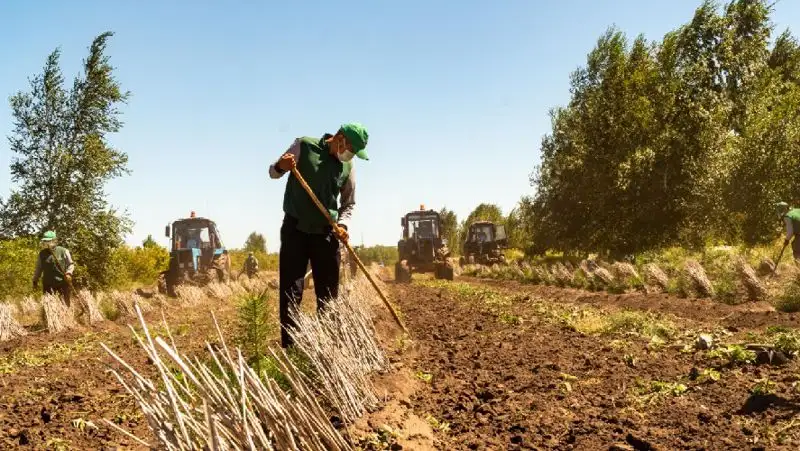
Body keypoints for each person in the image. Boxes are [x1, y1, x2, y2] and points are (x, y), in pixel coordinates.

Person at [269, 122, 369, 348]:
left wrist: (343, 225)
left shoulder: (348, 167)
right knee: (291, 291)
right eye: (351, 149)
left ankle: (329, 347)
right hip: (296, 230)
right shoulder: (304, 146)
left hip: (326, 234)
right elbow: (273, 173)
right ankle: (291, 348)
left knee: (329, 294)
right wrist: (281, 165)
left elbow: (349, 204)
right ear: (340, 138)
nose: (350, 155)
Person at [32, 230, 75, 307]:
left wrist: (69, 273)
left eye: (48, 241)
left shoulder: (63, 251)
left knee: (65, 304)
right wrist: (35, 280)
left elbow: (71, 264)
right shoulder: (42, 254)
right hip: (48, 284)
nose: (47, 243)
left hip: (62, 282)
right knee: (49, 306)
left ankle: (67, 317)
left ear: (54, 241)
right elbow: (38, 268)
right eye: (45, 241)